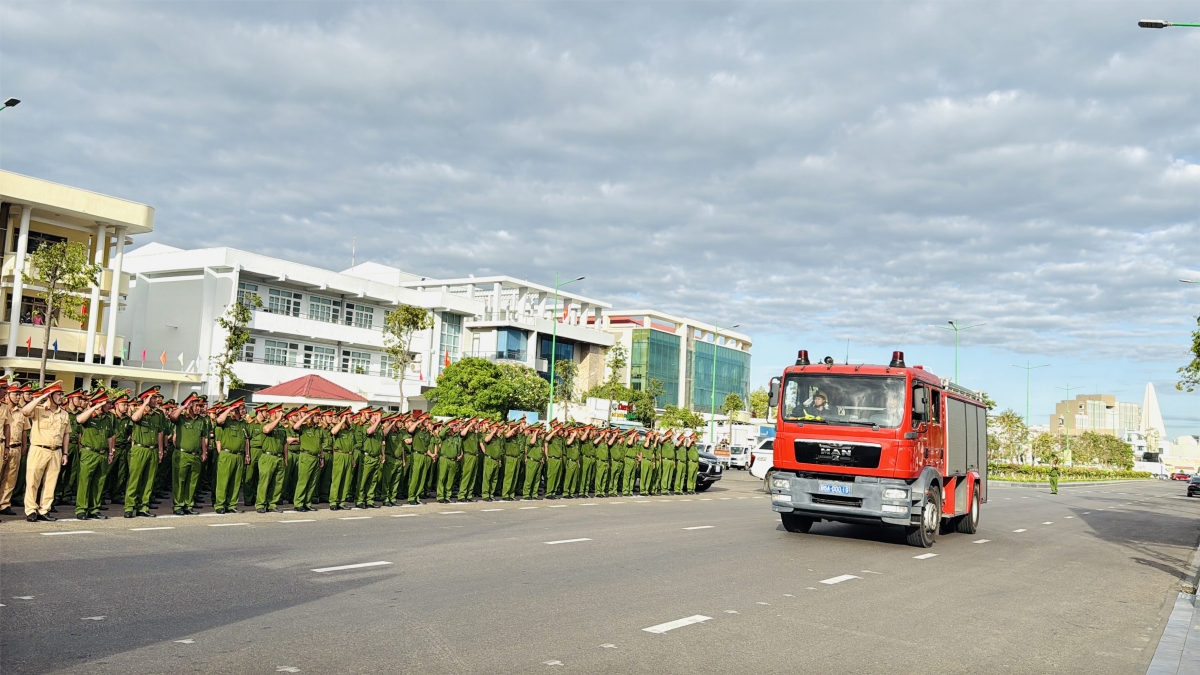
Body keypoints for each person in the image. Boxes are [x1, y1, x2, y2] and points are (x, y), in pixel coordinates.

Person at [21, 383, 71, 522]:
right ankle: (31, 510)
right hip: (39, 449)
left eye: (62, 394)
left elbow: (66, 434)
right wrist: (42, 397)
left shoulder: (64, 414)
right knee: (32, 481)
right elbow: (25, 411)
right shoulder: (39, 409)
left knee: (50, 483)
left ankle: (44, 510)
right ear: (50, 396)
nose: (61, 397)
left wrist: (65, 453)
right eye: (58, 394)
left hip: (56, 451)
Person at [73, 391, 113, 520]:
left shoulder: (108, 418)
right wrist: (94, 407)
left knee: (99, 482)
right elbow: (79, 419)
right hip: (89, 453)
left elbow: (110, 436)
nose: (109, 405)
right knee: (85, 482)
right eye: (106, 403)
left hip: (102, 453)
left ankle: (94, 509)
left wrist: (110, 452)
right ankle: (81, 509)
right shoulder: (89, 416)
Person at [169, 393, 209, 516]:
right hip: (182, 454)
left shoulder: (201, 420)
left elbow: (203, 437)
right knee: (179, 481)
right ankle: (178, 505)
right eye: (197, 406)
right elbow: (173, 416)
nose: (199, 408)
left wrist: (204, 452)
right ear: (190, 406)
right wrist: (184, 406)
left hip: (196, 455)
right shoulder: (182, 419)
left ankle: (188, 504)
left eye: (200, 406)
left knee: (192, 482)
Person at [213, 399, 250, 514]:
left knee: (236, 482)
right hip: (227, 454)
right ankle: (220, 505)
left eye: (244, 408)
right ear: (236, 409)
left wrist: (247, 454)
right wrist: (230, 408)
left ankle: (232, 504)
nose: (244, 410)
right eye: (242, 408)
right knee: (223, 481)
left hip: (239, 455)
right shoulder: (227, 421)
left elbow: (246, 440)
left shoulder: (243, 423)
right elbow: (219, 420)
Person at [254, 406, 289, 513]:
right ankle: (260, 504)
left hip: (279, 457)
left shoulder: (282, 428)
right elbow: (267, 430)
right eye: (279, 412)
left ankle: (272, 504)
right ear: (273, 413)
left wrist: (286, 459)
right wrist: (278, 419)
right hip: (268, 457)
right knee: (264, 482)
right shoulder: (265, 424)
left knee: (277, 483)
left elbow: (285, 444)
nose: (282, 414)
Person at [290, 408, 323, 512]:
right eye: (316, 416)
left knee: (312, 482)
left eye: (319, 416)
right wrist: (306, 417)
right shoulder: (304, 427)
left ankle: (307, 503)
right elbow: (295, 427)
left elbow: (320, 444)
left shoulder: (319, 429)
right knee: (303, 481)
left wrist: (322, 457)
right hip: (306, 456)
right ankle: (298, 503)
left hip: (316, 457)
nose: (319, 418)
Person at [356, 409, 384, 509]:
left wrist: (383, 455)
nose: (380, 417)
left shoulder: (379, 428)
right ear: (374, 415)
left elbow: (381, 442)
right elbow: (369, 431)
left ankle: (370, 500)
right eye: (378, 415)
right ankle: (359, 500)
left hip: (376, 457)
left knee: (373, 481)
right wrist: (377, 421)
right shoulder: (366, 425)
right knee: (363, 480)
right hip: (367, 457)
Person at [480, 421, 504, 502]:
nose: (497, 429)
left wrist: (499, 460)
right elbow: (486, 440)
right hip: (489, 459)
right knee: (487, 477)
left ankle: (491, 493)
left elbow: (499, 450)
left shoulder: (498, 438)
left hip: (496, 460)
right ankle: (485, 494)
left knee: (494, 478)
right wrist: (493, 432)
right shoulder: (488, 435)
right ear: (491, 428)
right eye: (495, 428)